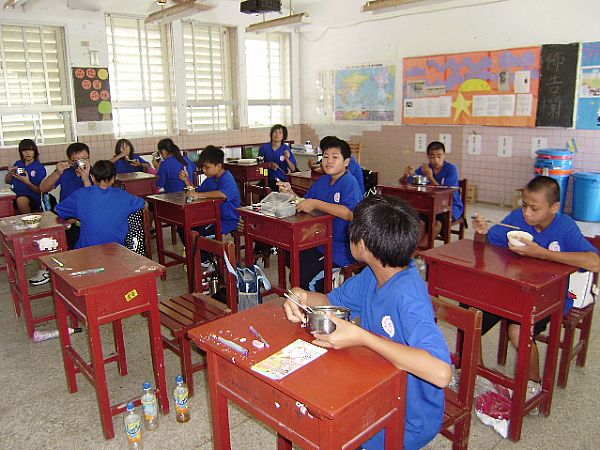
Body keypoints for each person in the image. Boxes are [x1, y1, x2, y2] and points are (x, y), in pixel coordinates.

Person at [283, 195, 452, 450]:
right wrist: (300, 295)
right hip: (378, 387)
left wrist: (363, 338)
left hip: (408, 417)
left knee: (323, 426)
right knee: (308, 406)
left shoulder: (408, 296)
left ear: (361, 246)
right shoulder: (373, 274)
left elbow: (441, 373)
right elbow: (330, 300)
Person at [472, 176, 600, 400]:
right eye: (524, 205)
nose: (527, 213)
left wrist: (542, 253)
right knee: (472, 314)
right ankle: (477, 373)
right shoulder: (517, 219)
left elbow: (594, 262)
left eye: (534, 208)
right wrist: (481, 233)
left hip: (549, 297)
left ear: (554, 208)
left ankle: (533, 384)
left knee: (517, 332)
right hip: (513, 289)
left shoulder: (565, 226)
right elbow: (487, 245)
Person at [278, 136, 361, 292]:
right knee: (292, 257)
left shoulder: (349, 182)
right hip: (319, 240)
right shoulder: (323, 180)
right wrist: (290, 193)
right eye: (325, 156)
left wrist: (316, 204)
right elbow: (306, 202)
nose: (329, 161)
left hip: (340, 247)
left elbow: (350, 214)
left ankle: (328, 285)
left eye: (335, 157)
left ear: (346, 162)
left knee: (303, 276)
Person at [31, 142, 93, 285]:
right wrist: (57, 172)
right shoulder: (66, 172)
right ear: (70, 161)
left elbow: (93, 201)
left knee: (75, 236)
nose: (82, 163)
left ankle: (75, 267)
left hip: (84, 217)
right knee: (45, 233)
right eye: (76, 160)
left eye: (85, 158)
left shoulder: (95, 173)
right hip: (64, 215)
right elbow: (43, 188)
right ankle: (47, 269)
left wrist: (85, 178)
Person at [54, 160, 144, 249]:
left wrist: (77, 216)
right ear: (113, 178)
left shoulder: (81, 195)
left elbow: (57, 210)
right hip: (116, 249)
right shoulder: (123, 195)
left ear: (92, 177)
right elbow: (144, 204)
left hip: (87, 251)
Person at [401, 141, 464, 248]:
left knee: (437, 223)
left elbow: (446, 192)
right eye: (432, 157)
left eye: (439, 156)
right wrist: (406, 175)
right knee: (420, 221)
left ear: (444, 155)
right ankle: (414, 249)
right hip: (430, 205)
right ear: (427, 156)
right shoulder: (425, 168)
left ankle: (420, 252)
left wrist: (430, 177)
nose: (436, 160)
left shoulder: (451, 169)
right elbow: (406, 182)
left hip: (450, 206)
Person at [180, 145, 241, 250]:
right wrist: (186, 180)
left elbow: (223, 194)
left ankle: (205, 257)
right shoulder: (210, 179)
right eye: (203, 167)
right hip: (210, 218)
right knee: (183, 227)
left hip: (226, 220)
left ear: (218, 166)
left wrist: (197, 195)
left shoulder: (227, 178)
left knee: (198, 234)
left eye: (207, 167)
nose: (204, 170)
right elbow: (197, 192)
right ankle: (199, 256)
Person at [5, 139, 46, 214]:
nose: (27, 153)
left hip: (32, 197)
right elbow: (7, 181)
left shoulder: (39, 167)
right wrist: (11, 173)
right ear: (21, 152)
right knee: (4, 200)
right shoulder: (18, 164)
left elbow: (41, 191)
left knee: (21, 201)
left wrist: (27, 182)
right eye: (24, 151)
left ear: (34, 151)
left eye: (30, 150)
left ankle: (28, 219)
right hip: (15, 194)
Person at [259, 124, 297, 191]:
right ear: (271, 134)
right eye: (275, 132)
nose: (277, 134)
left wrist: (286, 158)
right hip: (266, 179)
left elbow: (293, 169)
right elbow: (259, 166)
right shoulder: (264, 147)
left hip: (281, 179)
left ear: (283, 136)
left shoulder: (286, 149)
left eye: (280, 132)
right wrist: (269, 165)